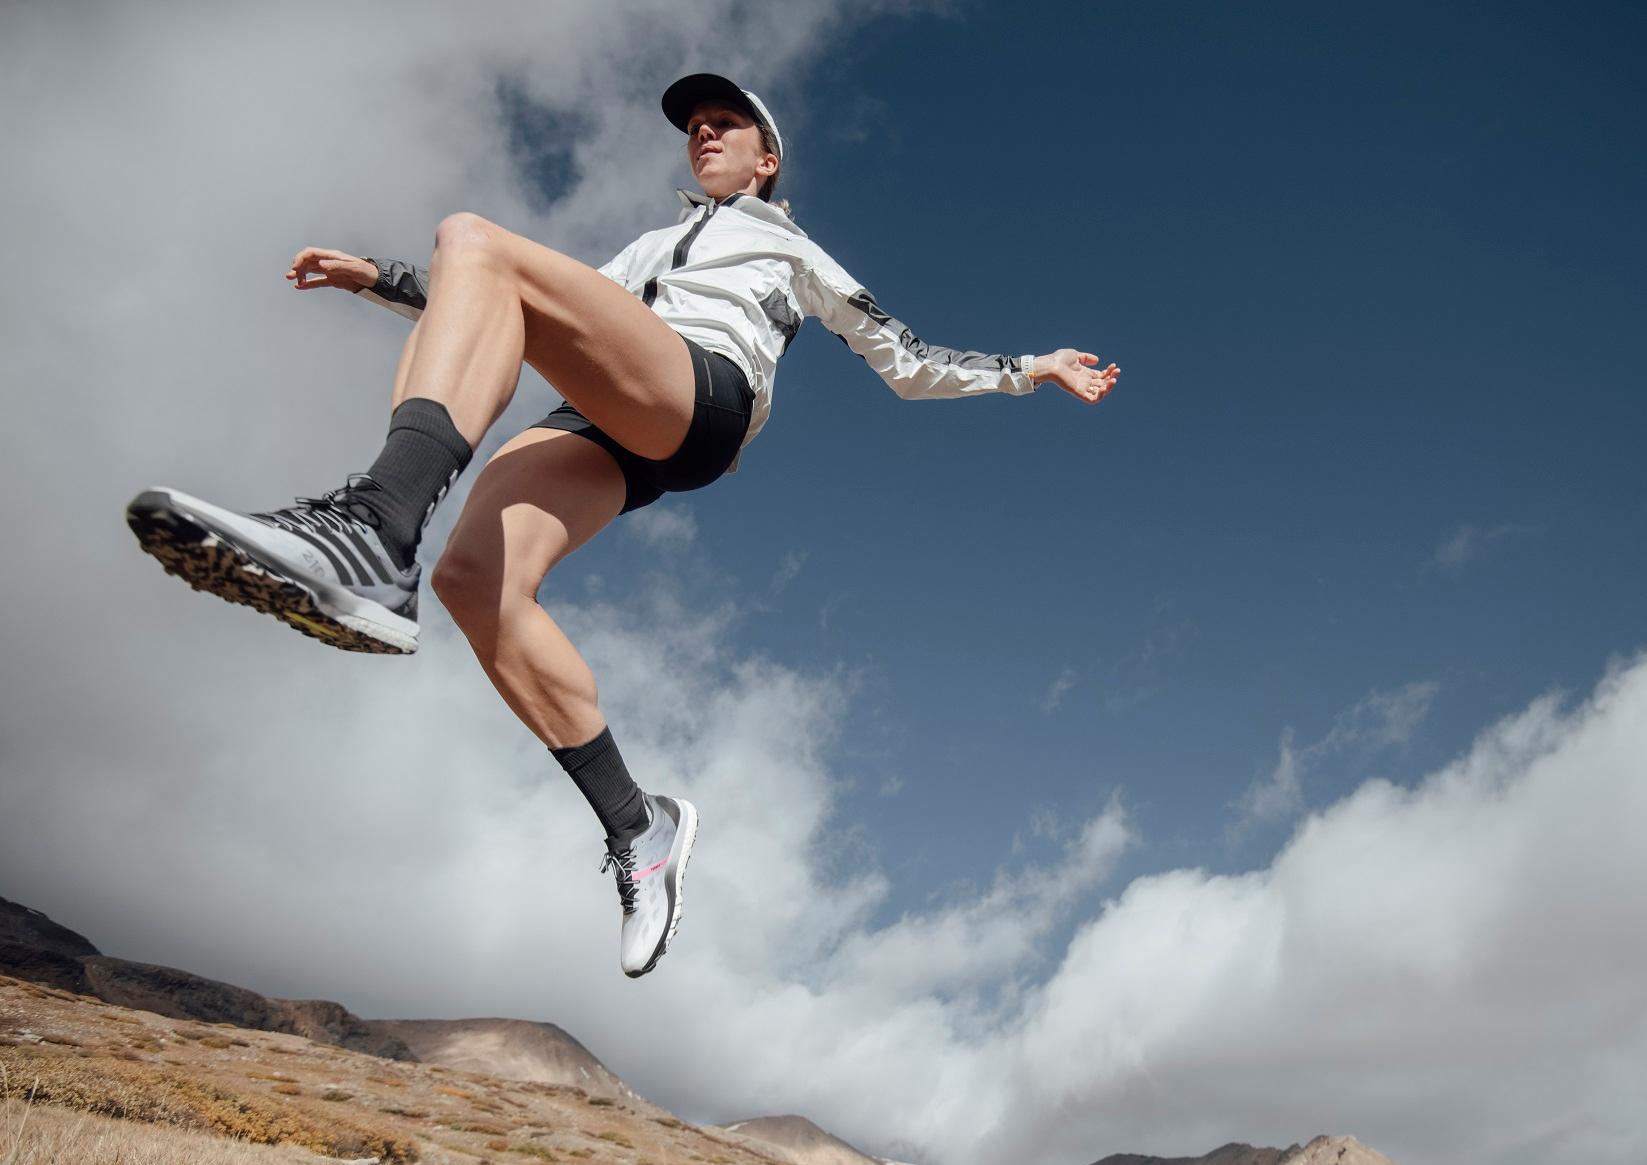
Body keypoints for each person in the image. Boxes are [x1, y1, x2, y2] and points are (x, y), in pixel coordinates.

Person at [126, 72, 1120, 980]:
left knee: (472, 232)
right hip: (600, 421)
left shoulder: (791, 247)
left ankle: (369, 528)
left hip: (699, 399)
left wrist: (1031, 366)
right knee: (475, 585)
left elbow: (904, 360)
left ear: (767, 159)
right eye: (694, 124)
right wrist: (380, 280)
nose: (703, 132)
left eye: (724, 124)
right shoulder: (647, 247)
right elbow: (500, 302)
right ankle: (637, 825)